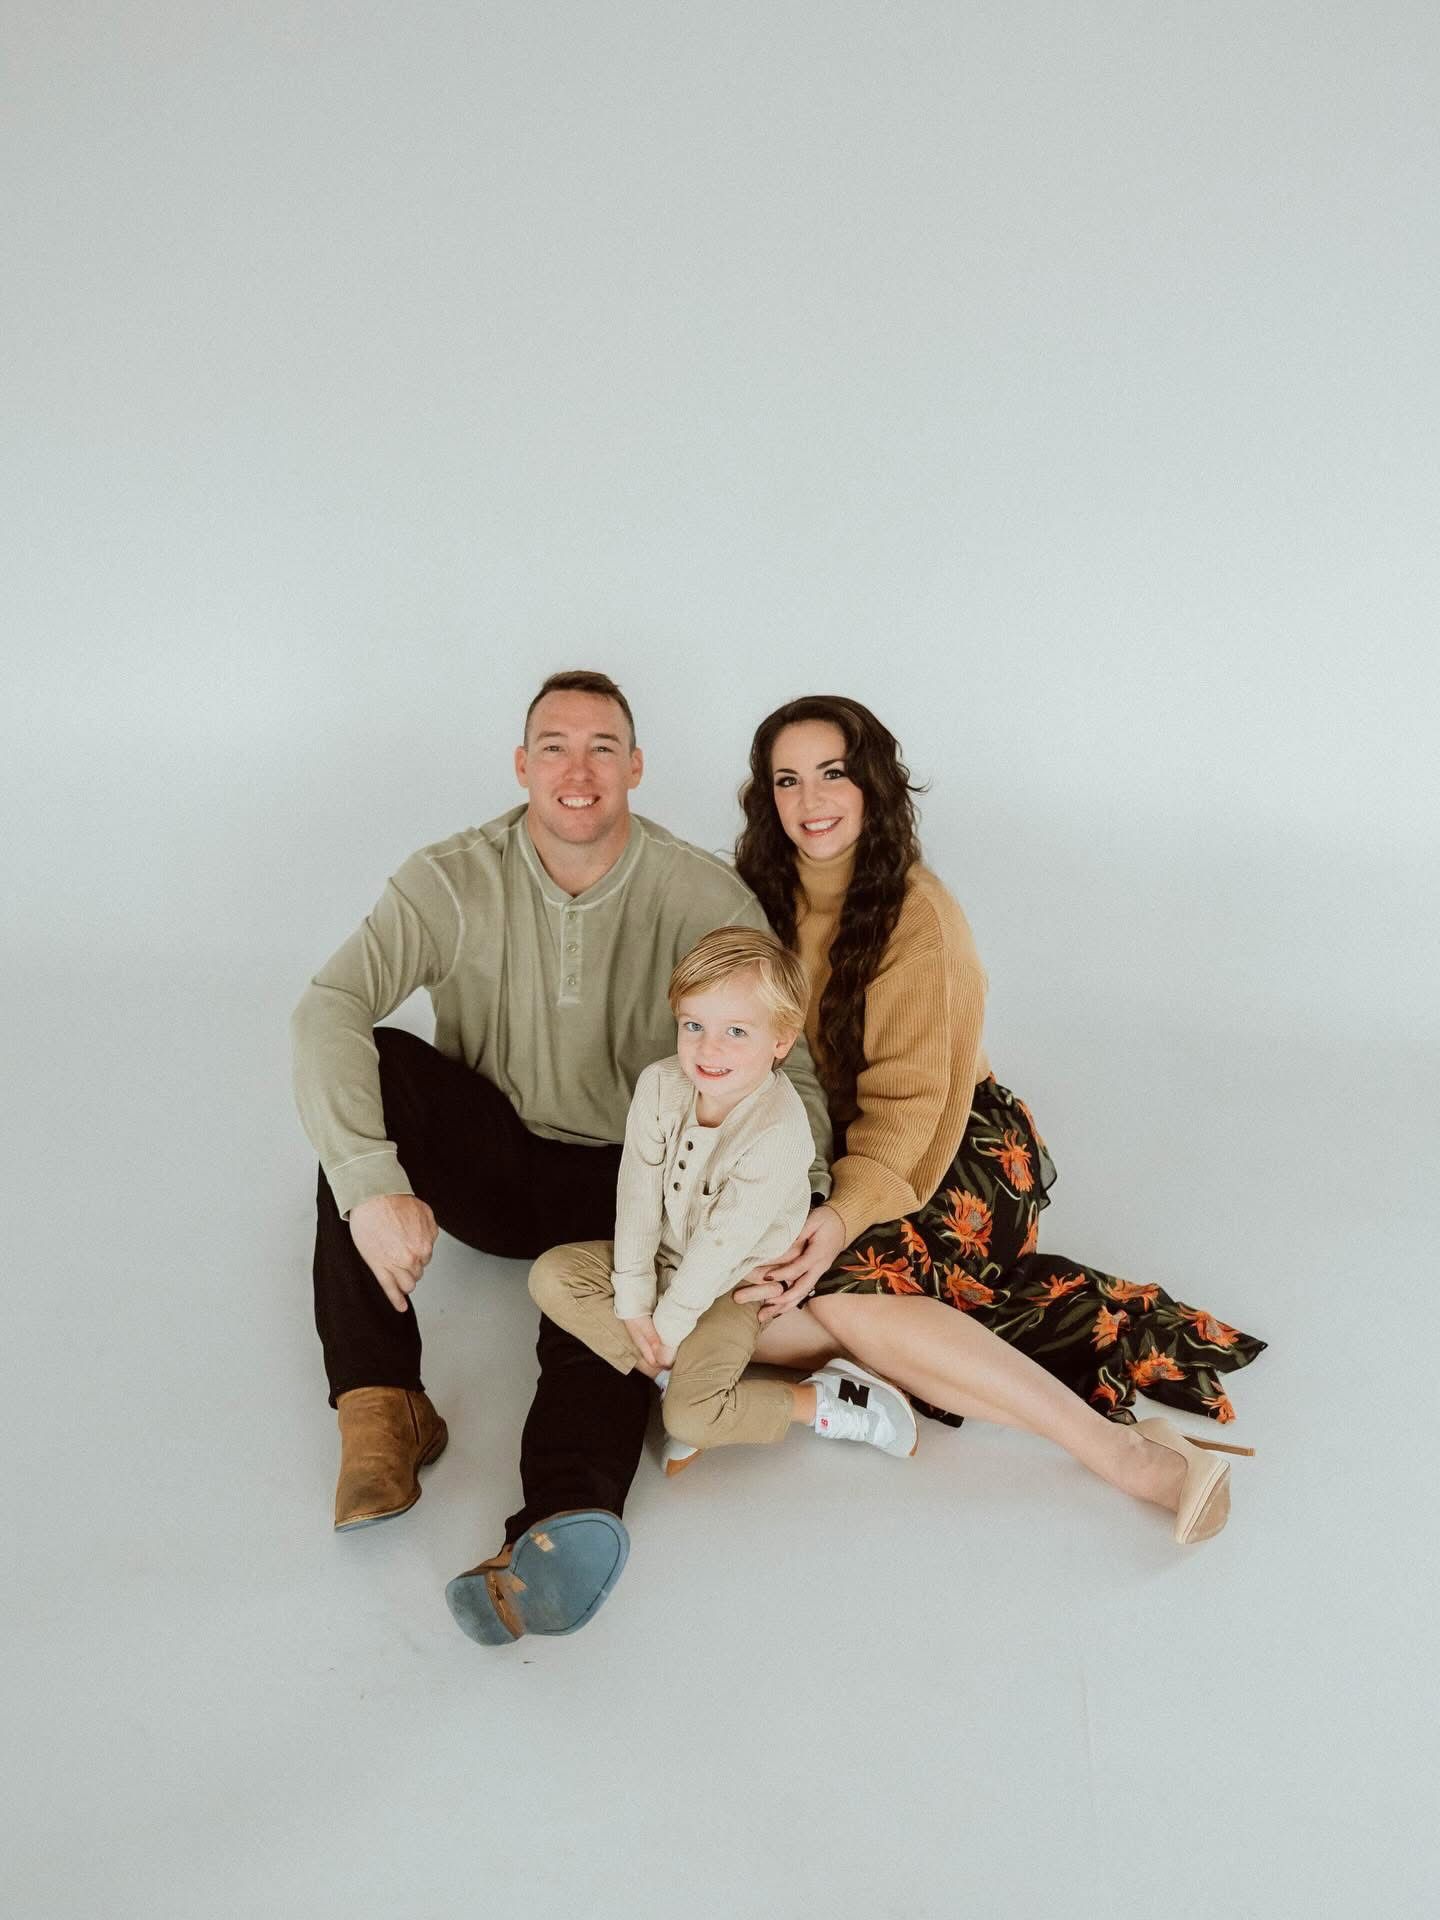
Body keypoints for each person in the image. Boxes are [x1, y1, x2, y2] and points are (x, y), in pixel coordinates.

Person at [290, 670, 834, 1638]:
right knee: (369, 1070)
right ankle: (381, 1407)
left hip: (633, 1178)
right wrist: (372, 1186)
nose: (576, 771)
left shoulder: (700, 892)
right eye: (554, 746)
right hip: (491, 1161)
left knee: (619, 1326)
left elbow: (786, 1069)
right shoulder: (449, 878)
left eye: (599, 748)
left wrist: (808, 1212)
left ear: (634, 766)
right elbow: (328, 1007)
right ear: (521, 764)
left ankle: (557, 1525)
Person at [719, 694, 1266, 1547]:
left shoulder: (918, 915)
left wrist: (833, 1221)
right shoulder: (756, 896)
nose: (809, 800)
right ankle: (914, 1356)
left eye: (832, 772)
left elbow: (907, 1112)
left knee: (826, 1291)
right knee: (760, 1313)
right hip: (829, 1153)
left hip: (950, 1150)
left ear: (871, 783)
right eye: (787, 780)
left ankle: (1121, 1454)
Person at [512, 929, 913, 1528]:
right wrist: (632, 1298)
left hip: (733, 1282)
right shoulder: (660, 1085)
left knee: (690, 1420)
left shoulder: (777, 1133)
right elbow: (639, 1193)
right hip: (673, 1258)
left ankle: (826, 1401)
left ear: (780, 1041)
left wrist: (666, 1325)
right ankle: (677, 1372)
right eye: (693, 1025)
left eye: (736, 1031)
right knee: (551, 1276)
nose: (707, 1049)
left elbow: (722, 1246)